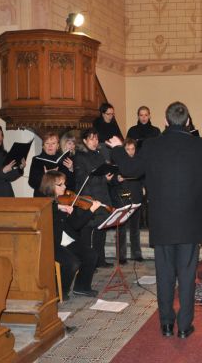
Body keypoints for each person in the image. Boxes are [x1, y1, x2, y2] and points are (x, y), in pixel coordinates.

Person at [107, 101, 202, 339]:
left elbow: (130, 169)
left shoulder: (151, 145)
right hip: (191, 224)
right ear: (188, 122)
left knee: (165, 276)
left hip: (162, 224)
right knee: (187, 276)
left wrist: (119, 148)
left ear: (165, 122)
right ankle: (184, 326)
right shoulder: (201, 145)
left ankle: (167, 324)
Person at [40, 171, 99, 300]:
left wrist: (90, 211)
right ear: (50, 185)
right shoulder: (43, 201)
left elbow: (76, 225)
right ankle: (60, 291)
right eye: (60, 184)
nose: (65, 187)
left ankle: (81, 287)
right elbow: (44, 208)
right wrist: (59, 207)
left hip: (65, 240)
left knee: (91, 254)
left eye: (64, 183)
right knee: (72, 262)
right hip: (51, 242)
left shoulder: (64, 200)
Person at [74, 128, 115, 267]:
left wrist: (108, 177)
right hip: (88, 198)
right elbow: (82, 178)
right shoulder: (79, 156)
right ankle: (87, 263)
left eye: (96, 138)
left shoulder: (99, 155)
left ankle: (100, 260)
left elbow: (101, 174)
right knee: (86, 232)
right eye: (91, 139)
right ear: (85, 141)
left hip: (101, 196)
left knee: (101, 230)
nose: (95, 141)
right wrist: (102, 178)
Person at [110, 138, 145, 263]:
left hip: (136, 196)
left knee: (135, 228)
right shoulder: (118, 162)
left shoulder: (138, 162)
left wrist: (143, 187)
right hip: (122, 197)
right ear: (123, 150)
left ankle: (136, 254)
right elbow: (110, 181)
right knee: (122, 229)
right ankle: (121, 256)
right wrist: (117, 179)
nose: (130, 152)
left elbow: (143, 177)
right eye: (127, 149)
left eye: (132, 149)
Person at [28, 132, 74, 196]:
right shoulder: (37, 160)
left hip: (61, 197)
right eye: (47, 143)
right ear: (43, 146)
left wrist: (71, 169)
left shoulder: (63, 159)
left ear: (57, 146)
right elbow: (32, 182)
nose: (50, 146)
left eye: (53, 143)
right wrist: (45, 175)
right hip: (42, 197)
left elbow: (70, 184)